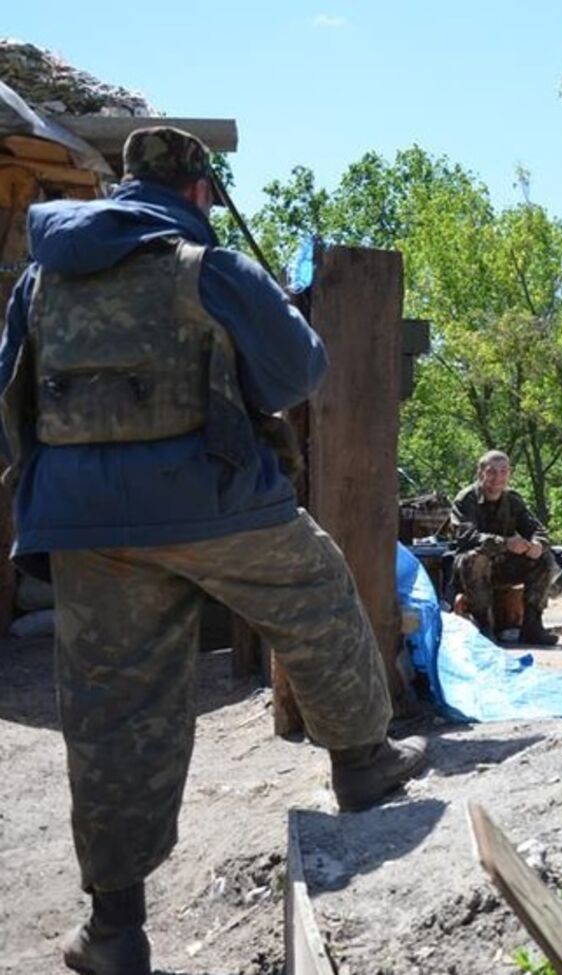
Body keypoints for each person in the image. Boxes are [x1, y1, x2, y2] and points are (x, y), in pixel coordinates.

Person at [0, 127, 428, 975]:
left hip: (84, 525)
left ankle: (114, 928)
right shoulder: (211, 267)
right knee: (316, 595)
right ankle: (361, 761)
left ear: (124, 187)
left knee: (110, 711)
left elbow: (9, 391)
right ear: (199, 191)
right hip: (217, 501)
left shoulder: (40, 280)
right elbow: (300, 373)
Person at [450, 450, 558, 645]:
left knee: (544, 558)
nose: (498, 477)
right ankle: (483, 625)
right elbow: (466, 536)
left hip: (503, 566)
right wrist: (505, 543)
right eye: (492, 472)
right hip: (470, 571)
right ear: (481, 472)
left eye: (503, 471)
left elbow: (537, 530)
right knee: (476, 558)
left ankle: (532, 625)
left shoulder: (513, 501)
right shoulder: (466, 499)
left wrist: (537, 545)